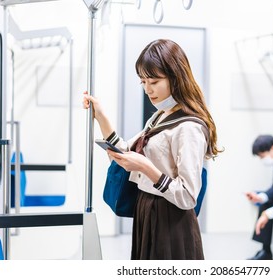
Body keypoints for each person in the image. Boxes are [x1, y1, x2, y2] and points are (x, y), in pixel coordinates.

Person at [83, 39, 222, 260]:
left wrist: (147, 168)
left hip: (170, 219)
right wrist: (101, 116)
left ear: (176, 77)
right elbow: (130, 150)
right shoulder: (160, 115)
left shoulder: (189, 127)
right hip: (147, 209)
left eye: (154, 81)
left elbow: (187, 196)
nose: (148, 89)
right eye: (143, 82)